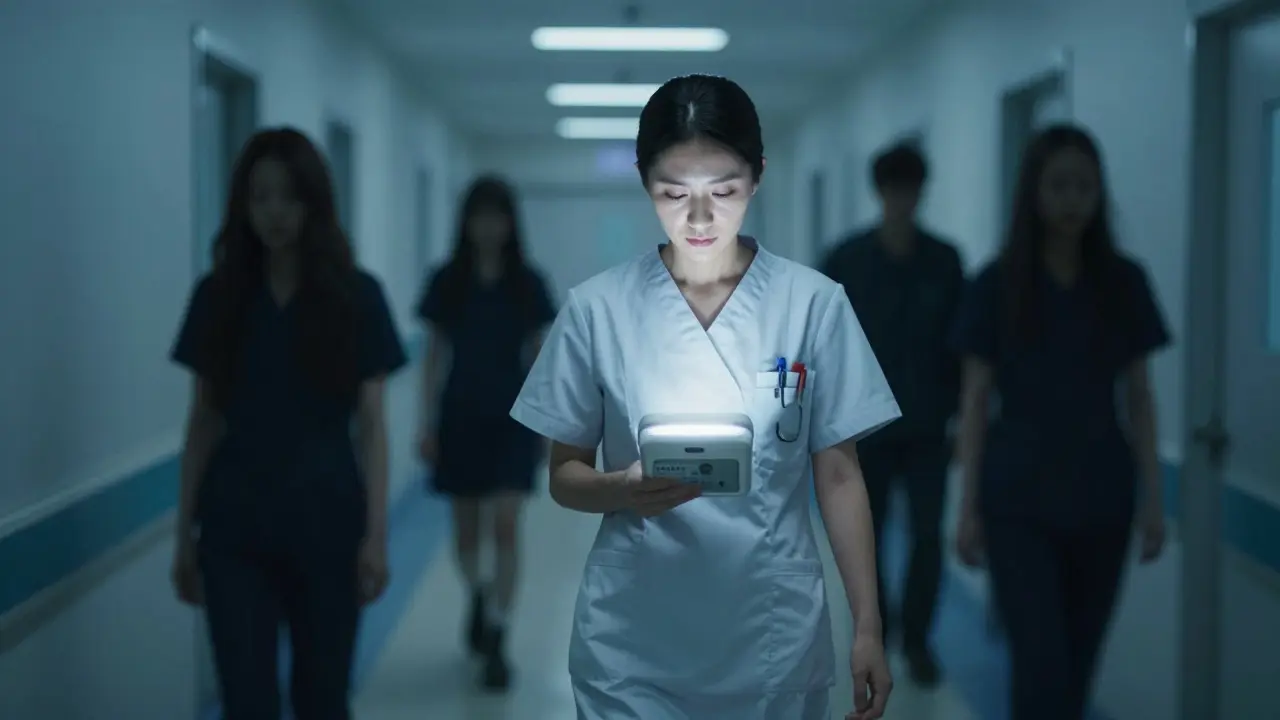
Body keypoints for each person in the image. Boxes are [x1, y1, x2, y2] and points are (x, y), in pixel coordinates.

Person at [509, 74, 899, 720]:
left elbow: (838, 474)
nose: (698, 217)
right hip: (630, 643)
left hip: (770, 633)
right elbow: (564, 475)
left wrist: (868, 627)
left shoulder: (812, 305)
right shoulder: (597, 309)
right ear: (644, 181)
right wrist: (623, 488)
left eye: (723, 191)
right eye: (673, 193)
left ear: (758, 176)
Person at [168, 127, 408, 719]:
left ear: (314, 202)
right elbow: (202, 422)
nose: (275, 212)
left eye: (289, 196)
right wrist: (182, 536)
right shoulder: (219, 296)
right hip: (234, 527)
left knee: (322, 699)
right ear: (243, 205)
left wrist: (376, 535)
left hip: (327, 522)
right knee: (246, 700)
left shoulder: (356, 297)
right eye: (261, 197)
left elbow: (372, 426)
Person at [950, 124, 1168, 720]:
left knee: (1078, 668)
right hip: (1018, 501)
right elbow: (976, 400)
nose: (1073, 199)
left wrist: (1152, 500)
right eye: (1059, 185)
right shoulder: (996, 284)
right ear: (1034, 193)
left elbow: (1140, 397)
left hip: (1103, 496)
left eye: (1085, 186)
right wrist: (967, 508)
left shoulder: (1123, 282)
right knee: (1039, 667)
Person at [818, 142, 964, 686]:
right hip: (865, 429)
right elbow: (825, 343)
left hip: (928, 427)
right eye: (894, 189)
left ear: (921, 192)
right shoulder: (847, 261)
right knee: (868, 536)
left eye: (911, 189)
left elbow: (961, 348)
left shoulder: (944, 262)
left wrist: (959, 419)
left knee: (927, 536)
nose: (903, 199)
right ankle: (878, 630)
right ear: (879, 191)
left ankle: (919, 640)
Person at [415, 175, 556, 691]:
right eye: (480, 216)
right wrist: (427, 423)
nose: (489, 227)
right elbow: (434, 356)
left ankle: (498, 632)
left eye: (498, 217)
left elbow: (539, 356)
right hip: (460, 416)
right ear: (467, 222)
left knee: (506, 524)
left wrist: (546, 422)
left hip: (513, 420)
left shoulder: (527, 283)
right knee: (467, 530)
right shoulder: (447, 282)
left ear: (511, 223)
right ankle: (478, 592)